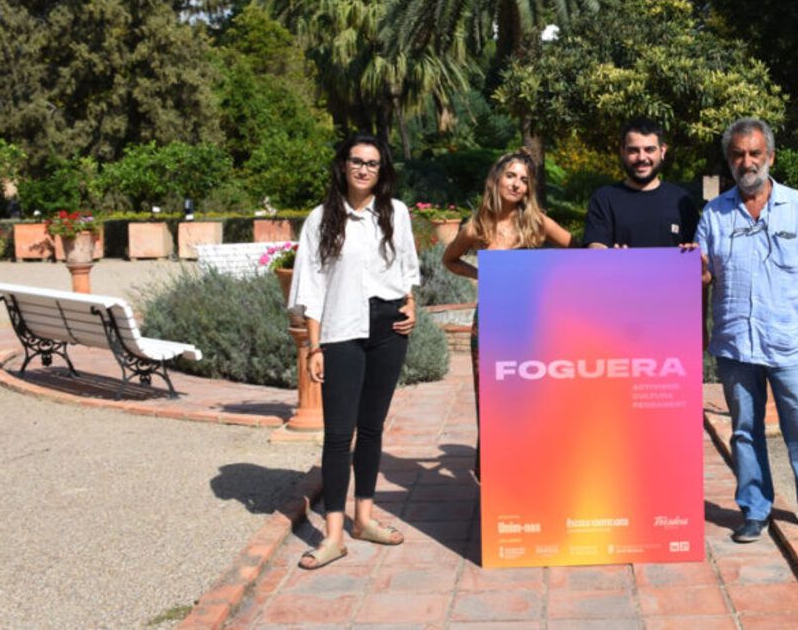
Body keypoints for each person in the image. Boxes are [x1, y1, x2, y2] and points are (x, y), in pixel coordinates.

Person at [695, 117, 798, 545]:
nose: (747, 162)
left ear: (770, 157)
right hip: (736, 344)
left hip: (791, 343)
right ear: (729, 161)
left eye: (754, 153)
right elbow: (703, 274)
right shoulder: (714, 213)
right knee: (744, 430)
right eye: (738, 154)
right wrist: (697, 279)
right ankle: (755, 509)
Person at [289, 134, 421, 569]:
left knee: (371, 429)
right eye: (357, 161)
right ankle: (332, 536)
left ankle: (363, 519)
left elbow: (407, 268)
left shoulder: (396, 213)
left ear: (382, 171)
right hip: (342, 329)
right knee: (337, 434)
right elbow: (311, 284)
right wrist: (314, 344)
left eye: (373, 163)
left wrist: (411, 306)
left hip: (388, 328)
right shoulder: (321, 218)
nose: (364, 169)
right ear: (343, 165)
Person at [442, 151, 573, 476]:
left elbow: (578, 248)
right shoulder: (477, 226)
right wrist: (478, 275)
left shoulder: (536, 222)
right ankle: (495, 481)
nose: (517, 184)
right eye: (511, 176)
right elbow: (449, 259)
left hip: (534, 325)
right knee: (493, 406)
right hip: (491, 326)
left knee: (534, 405)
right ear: (497, 179)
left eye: (524, 180)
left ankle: (534, 475)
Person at [582, 117, 700, 249]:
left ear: (662, 151)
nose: (642, 158)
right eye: (633, 150)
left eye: (649, 150)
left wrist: (692, 252)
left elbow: (697, 249)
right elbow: (595, 245)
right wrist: (608, 256)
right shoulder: (604, 199)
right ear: (622, 152)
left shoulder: (682, 201)